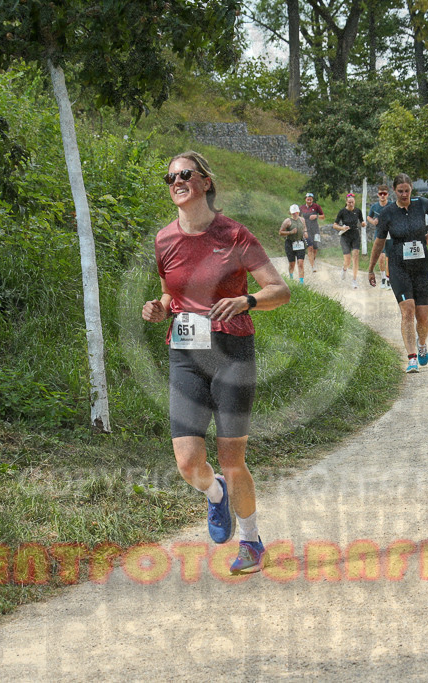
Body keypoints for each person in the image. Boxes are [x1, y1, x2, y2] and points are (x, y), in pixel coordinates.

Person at [142, 151, 290, 574]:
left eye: (185, 174)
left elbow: (279, 290)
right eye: (170, 177)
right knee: (188, 462)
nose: (176, 181)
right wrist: (160, 307)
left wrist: (247, 301)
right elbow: (172, 292)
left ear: (205, 182)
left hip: (232, 353)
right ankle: (216, 494)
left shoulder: (235, 235)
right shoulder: (164, 239)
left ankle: (252, 541)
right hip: (186, 353)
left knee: (231, 459)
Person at [366, 174, 428, 373]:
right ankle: (411, 358)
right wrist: (371, 268)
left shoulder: (422, 204)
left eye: (407, 190)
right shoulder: (387, 213)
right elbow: (379, 242)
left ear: (411, 189)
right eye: (400, 191)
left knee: (423, 317)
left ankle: (422, 343)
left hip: (422, 267)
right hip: (399, 266)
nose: (404, 194)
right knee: (407, 311)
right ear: (394, 191)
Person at [334, 192, 364, 288]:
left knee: (355, 256)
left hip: (355, 235)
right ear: (346, 202)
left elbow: (362, 221)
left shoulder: (358, 211)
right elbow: (335, 225)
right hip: (345, 236)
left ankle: (354, 280)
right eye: (349, 202)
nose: (351, 204)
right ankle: (344, 269)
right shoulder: (342, 212)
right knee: (348, 260)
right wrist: (342, 228)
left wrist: (363, 224)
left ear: (354, 202)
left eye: (352, 202)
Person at [367, 185, 392, 290]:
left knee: (389, 258)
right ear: (378, 194)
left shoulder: (392, 205)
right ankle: (383, 278)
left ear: (387, 195)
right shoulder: (375, 206)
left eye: (384, 194)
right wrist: (373, 221)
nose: (382, 195)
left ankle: (389, 279)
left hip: (390, 234)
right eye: (380, 193)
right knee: (381, 257)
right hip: (379, 234)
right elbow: (369, 217)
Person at [279, 204, 307, 284]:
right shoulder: (287, 221)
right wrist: (290, 232)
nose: (295, 214)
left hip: (300, 243)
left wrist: (305, 232)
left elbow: (304, 227)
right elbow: (280, 232)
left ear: (298, 212)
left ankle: (301, 283)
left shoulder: (302, 220)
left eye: (296, 212)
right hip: (290, 243)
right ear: (290, 213)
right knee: (292, 264)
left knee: (300, 263)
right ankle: (291, 278)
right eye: (293, 213)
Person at [300, 192, 325, 273]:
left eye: (311, 199)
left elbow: (323, 216)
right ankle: (313, 266)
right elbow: (298, 217)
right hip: (307, 230)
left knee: (315, 248)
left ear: (312, 200)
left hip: (315, 229)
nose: (309, 200)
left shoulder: (316, 206)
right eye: (308, 198)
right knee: (310, 247)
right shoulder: (302, 207)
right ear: (305, 199)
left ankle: (312, 261)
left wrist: (316, 216)